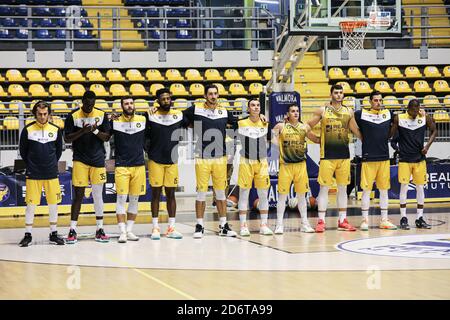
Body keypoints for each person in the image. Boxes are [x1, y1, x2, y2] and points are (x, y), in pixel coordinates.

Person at [307, 84, 362, 233]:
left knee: (343, 189)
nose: (338, 95)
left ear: (343, 95)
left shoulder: (348, 111)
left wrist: (369, 140)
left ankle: (342, 220)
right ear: (331, 94)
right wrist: (315, 139)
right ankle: (321, 221)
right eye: (336, 92)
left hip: (344, 156)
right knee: (324, 189)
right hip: (327, 156)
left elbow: (356, 130)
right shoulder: (323, 110)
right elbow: (306, 126)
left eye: (341, 93)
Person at [64, 91, 111, 244]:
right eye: (87, 104)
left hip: (98, 160)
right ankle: (72, 229)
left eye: (92, 104)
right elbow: (67, 138)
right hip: (80, 160)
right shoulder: (73, 116)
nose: (89, 107)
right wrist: (83, 131)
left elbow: (107, 137)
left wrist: (95, 130)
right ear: (82, 101)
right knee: (78, 196)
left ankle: (100, 228)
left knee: (98, 196)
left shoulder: (102, 115)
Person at [18, 101, 65, 247]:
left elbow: (58, 151)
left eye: (45, 114)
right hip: (33, 173)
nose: (43, 116)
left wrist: (50, 164)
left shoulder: (56, 130)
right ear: (35, 114)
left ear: (49, 114)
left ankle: (53, 233)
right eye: (40, 114)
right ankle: (28, 234)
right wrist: (32, 164)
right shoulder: (27, 130)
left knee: (53, 205)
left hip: (51, 173)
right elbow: (23, 151)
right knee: (31, 205)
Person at [389, 98, 437, 230]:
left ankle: (419, 218)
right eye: (413, 110)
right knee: (403, 188)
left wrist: (427, 146)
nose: (415, 112)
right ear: (408, 109)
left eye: (417, 109)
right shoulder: (400, 118)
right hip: (404, 159)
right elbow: (391, 136)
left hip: (420, 159)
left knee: (420, 188)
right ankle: (403, 218)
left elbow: (434, 131)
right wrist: (393, 123)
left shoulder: (424, 117)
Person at [146, 88, 187, 240]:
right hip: (155, 160)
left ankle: (171, 227)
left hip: (172, 160)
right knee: (156, 194)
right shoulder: (150, 115)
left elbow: (194, 116)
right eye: (163, 99)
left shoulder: (179, 115)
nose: (166, 101)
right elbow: (144, 136)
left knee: (171, 194)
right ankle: (155, 227)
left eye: (168, 98)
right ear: (158, 101)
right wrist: (149, 150)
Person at [272, 104, 319, 234]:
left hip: (301, 166)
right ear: (288, 114)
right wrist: (276, 141)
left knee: (302, 196)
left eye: (297, 111)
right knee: (282, 196)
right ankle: (279, 225)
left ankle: (304, 223)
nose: (296, 113)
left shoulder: (304, 128)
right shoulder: (281, 126)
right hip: (285, 166)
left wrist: (326, 137)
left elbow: (315, 139)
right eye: (293, 111)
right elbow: (273, 138)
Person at [354, 91, 397, 231]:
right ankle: (364, 220)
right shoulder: (361, 114)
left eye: (380, 100)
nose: (378, 102)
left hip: (384, 158)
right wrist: (360, 136)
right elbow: (349, 121)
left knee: (384, 191)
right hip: (368, 158)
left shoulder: (388, 114)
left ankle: (384, 220)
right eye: (376, 100)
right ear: (370, 102)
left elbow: (395, 127)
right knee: (366, 191)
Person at [110, 96, 146, 243]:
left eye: (131, 103)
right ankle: (122, 231)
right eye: (126, 104)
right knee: (121, 199)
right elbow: (104, 134)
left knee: (134, 200)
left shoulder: (143, 120)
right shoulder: (115, 121)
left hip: (139, 165)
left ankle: (130, 230)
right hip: (122, 166)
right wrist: (108, 119)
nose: (129, 106)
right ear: (122, 106)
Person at [235, 99, 273, 236]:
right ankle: (243, 225)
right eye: (253, 105)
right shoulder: (241, 123)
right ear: (248, 108)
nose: (256, 107)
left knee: (263, 194)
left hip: (262, 161)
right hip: (246, 161)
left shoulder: (265, 122)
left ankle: (264, 225)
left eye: (258, 105)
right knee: (244, 194)